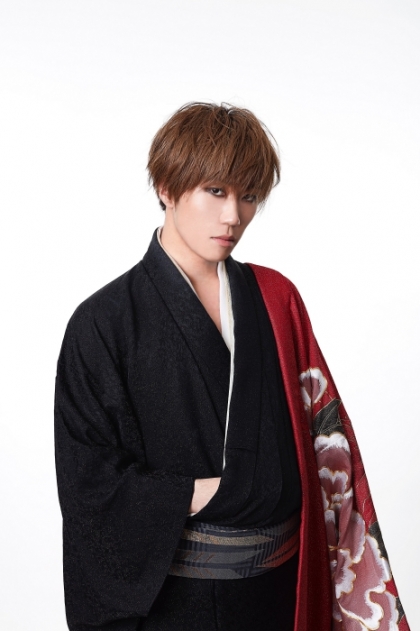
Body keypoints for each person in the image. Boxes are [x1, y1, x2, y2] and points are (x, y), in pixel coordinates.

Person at [54, 102, 409, 631]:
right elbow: (89, 484)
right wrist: (204, 491)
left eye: (249, 196)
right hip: (176, 604)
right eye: (216, 191)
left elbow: (325, 441)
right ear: (167, 187)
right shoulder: (103, 322)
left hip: (282, 592)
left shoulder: (276, 297)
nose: (233, 216)